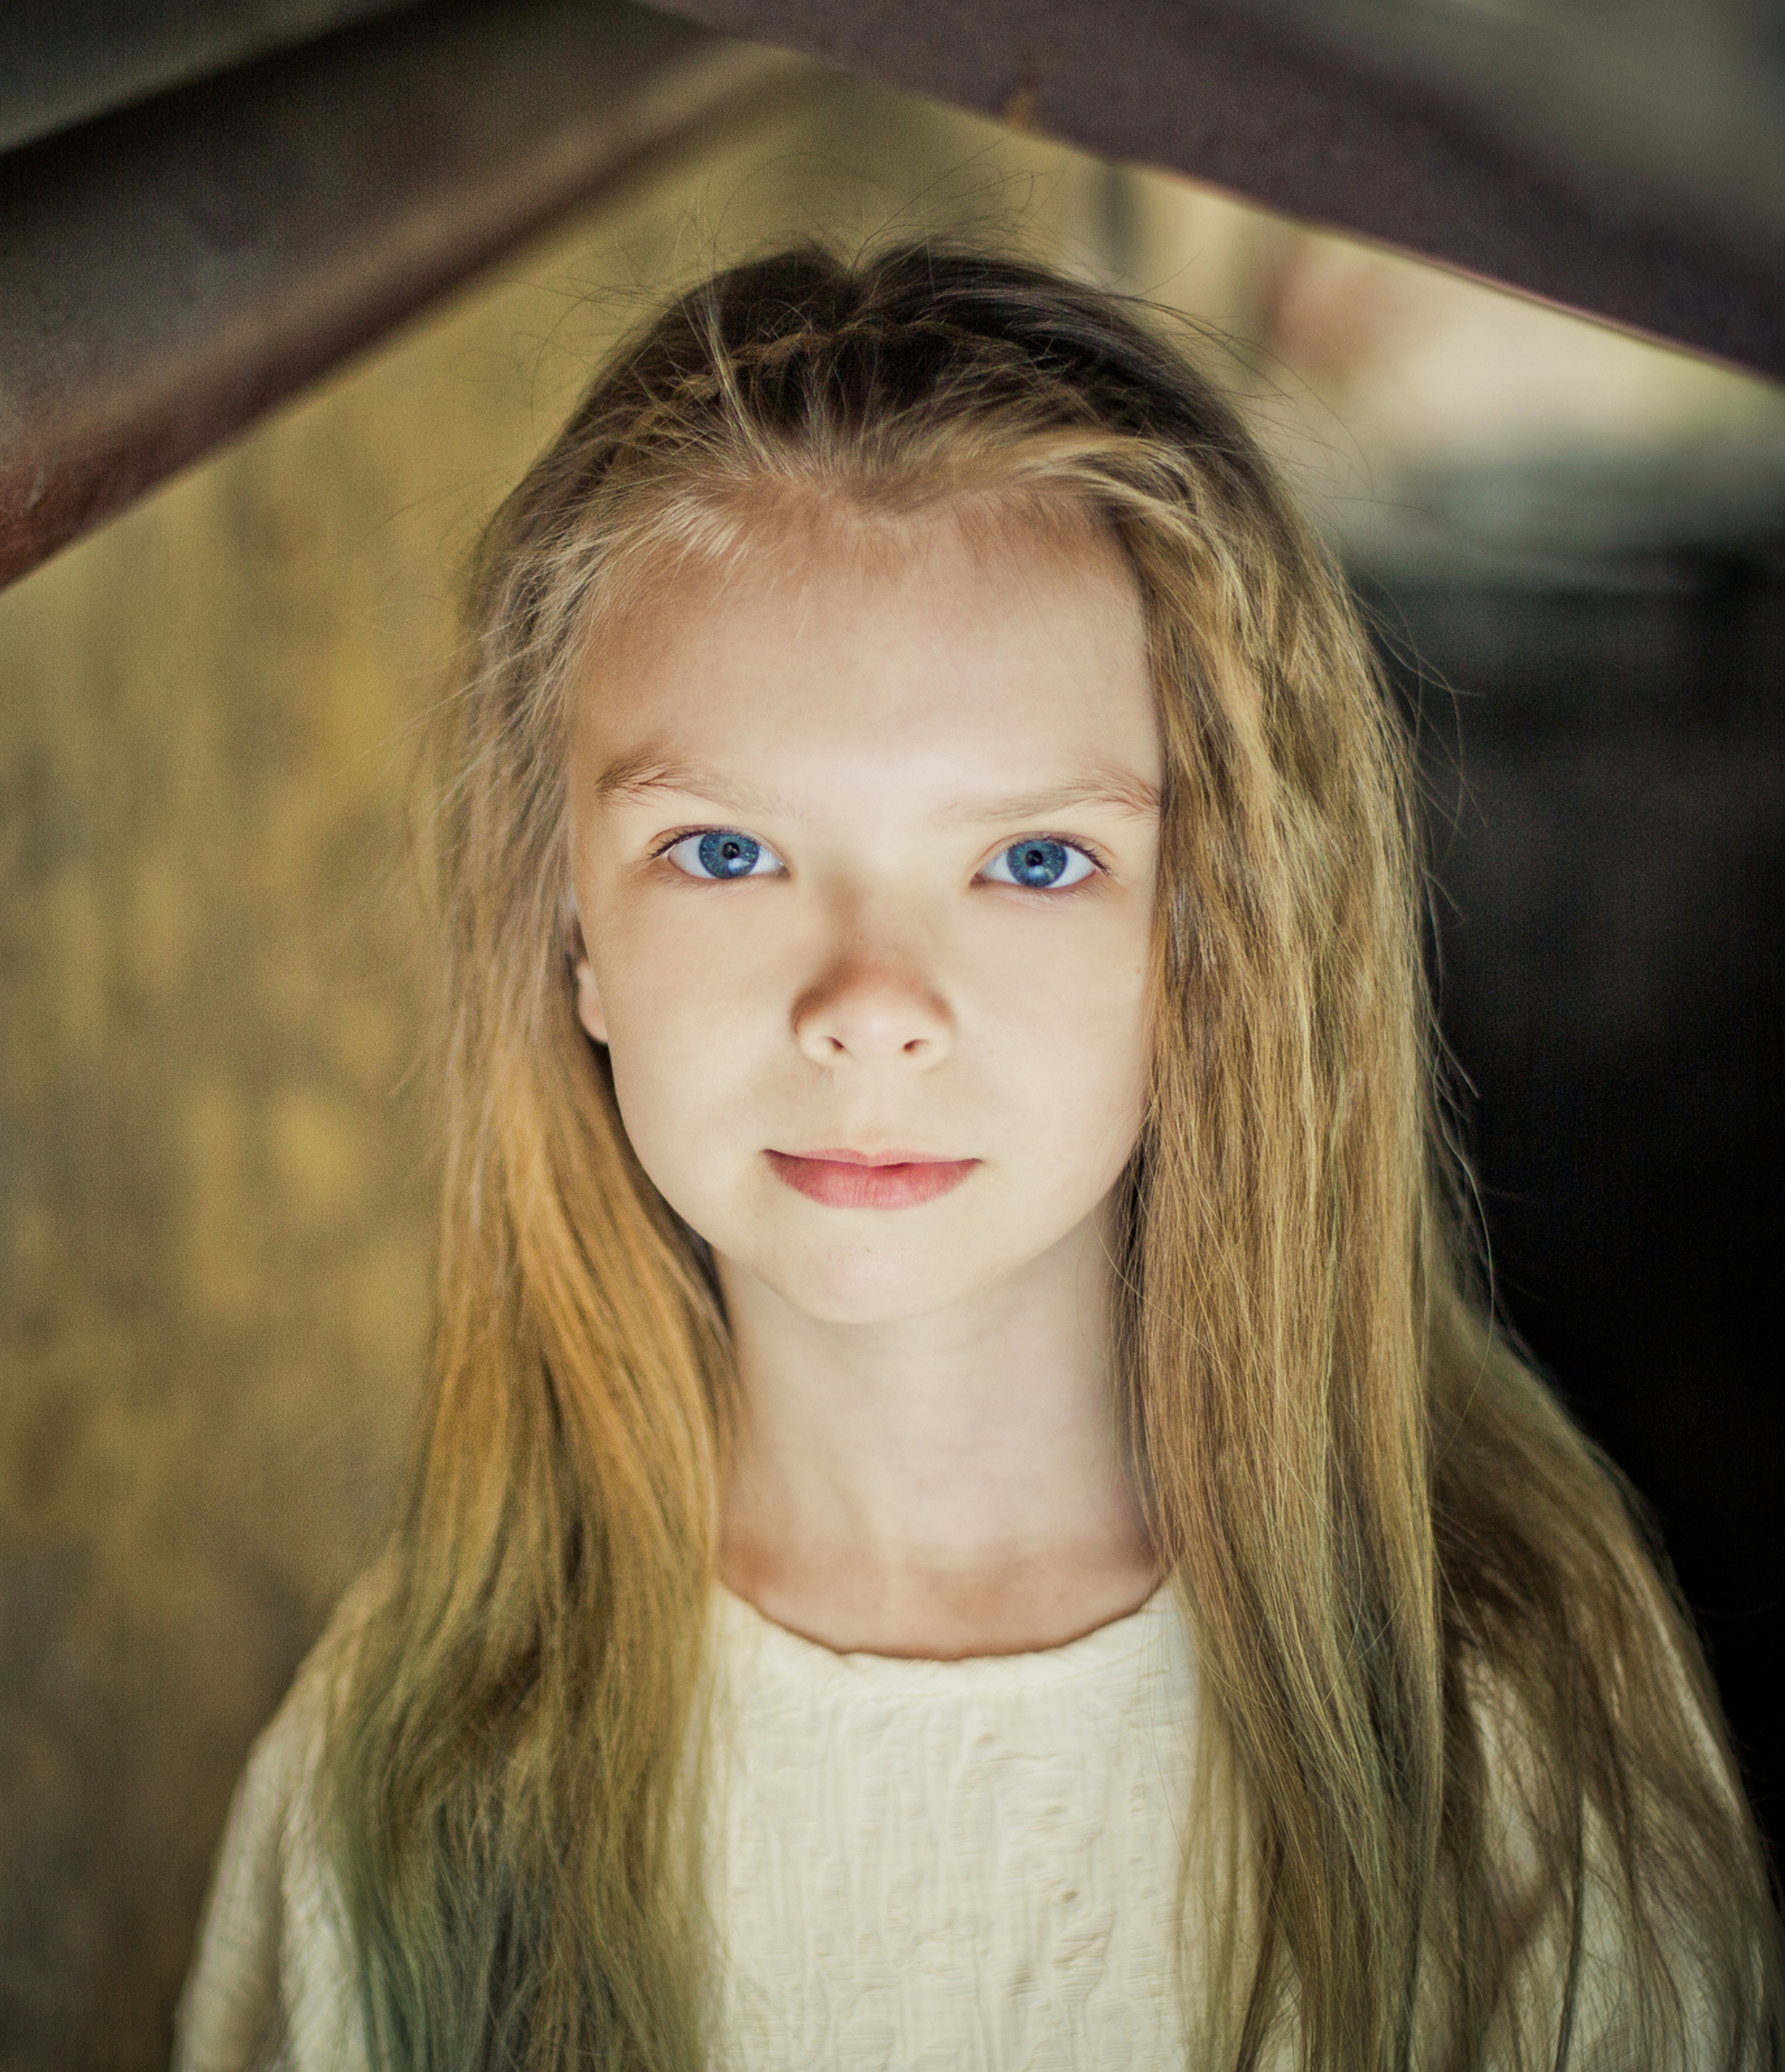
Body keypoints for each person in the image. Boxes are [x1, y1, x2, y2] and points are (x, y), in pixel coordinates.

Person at [173, 243, 1782, 2070]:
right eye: (721, 851)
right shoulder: (418, 1750)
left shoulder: (1502, 1725)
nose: (868, 1002)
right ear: (567, 931)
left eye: (1029, 859)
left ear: (1221, 936)